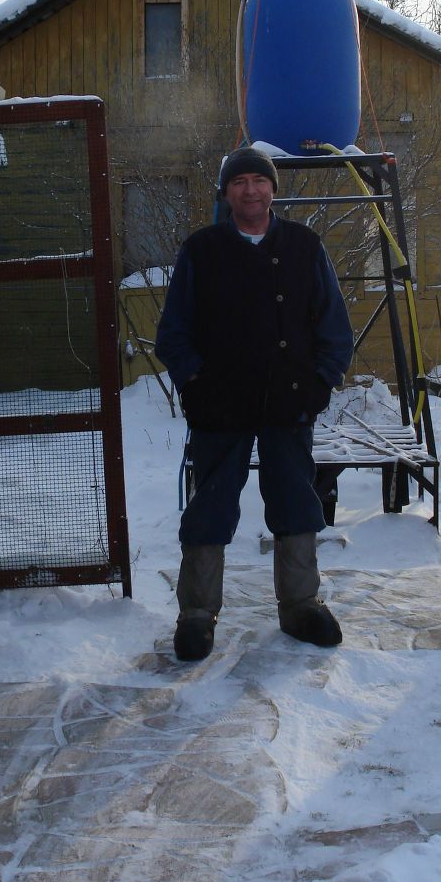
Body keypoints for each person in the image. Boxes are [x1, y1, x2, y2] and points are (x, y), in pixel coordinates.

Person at [155, 145, 355, 661]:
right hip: (219, 404)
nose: (251, 190)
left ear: (272, 189)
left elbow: (335, 327)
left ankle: (301, 605)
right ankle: (196, 614)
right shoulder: (201, 251)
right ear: (226, 193)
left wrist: (320, 382)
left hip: (289, 402)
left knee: (296, 500)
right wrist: (194, 383)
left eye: (259, 181)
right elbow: (173, 333)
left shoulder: (304, 247)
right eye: (240, 182)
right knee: (210, 506)